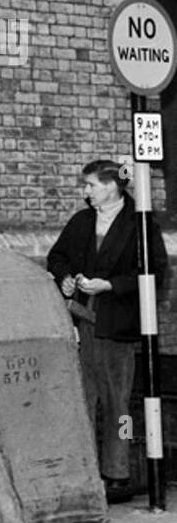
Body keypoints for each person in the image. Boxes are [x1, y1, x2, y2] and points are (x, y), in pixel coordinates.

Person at [47, 159, 168, 503]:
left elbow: (155, 273)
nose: (86, 192)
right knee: (82, 398)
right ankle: (81, 470)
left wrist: (111, 285)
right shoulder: (82, 221)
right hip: (84, 321)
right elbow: (57, 257)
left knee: (119, 404)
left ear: (112, 186)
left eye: (91, 185)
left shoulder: (140, 223)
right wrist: (67, 278)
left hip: (118, 327)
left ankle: (118, 472)